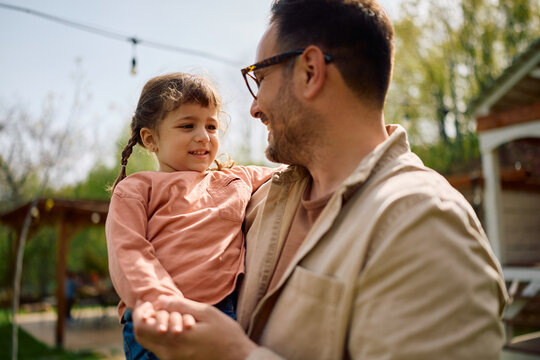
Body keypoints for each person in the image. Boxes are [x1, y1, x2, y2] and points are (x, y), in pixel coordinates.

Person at [132, 1, 508, 359]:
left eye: (260, 78)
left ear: (310, 71)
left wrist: (235, 356)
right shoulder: (256, 201)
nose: (254, 106)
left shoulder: (423, 223)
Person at [105, 72, 280, 360]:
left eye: (211, 126)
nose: (203, 136)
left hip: (223, 312)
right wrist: (158, 301)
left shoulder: (236, 179)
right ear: (151, 139)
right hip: (156, 317)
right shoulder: (137, 189)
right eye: (187, 125)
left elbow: (293, 172)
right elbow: (129, 251)